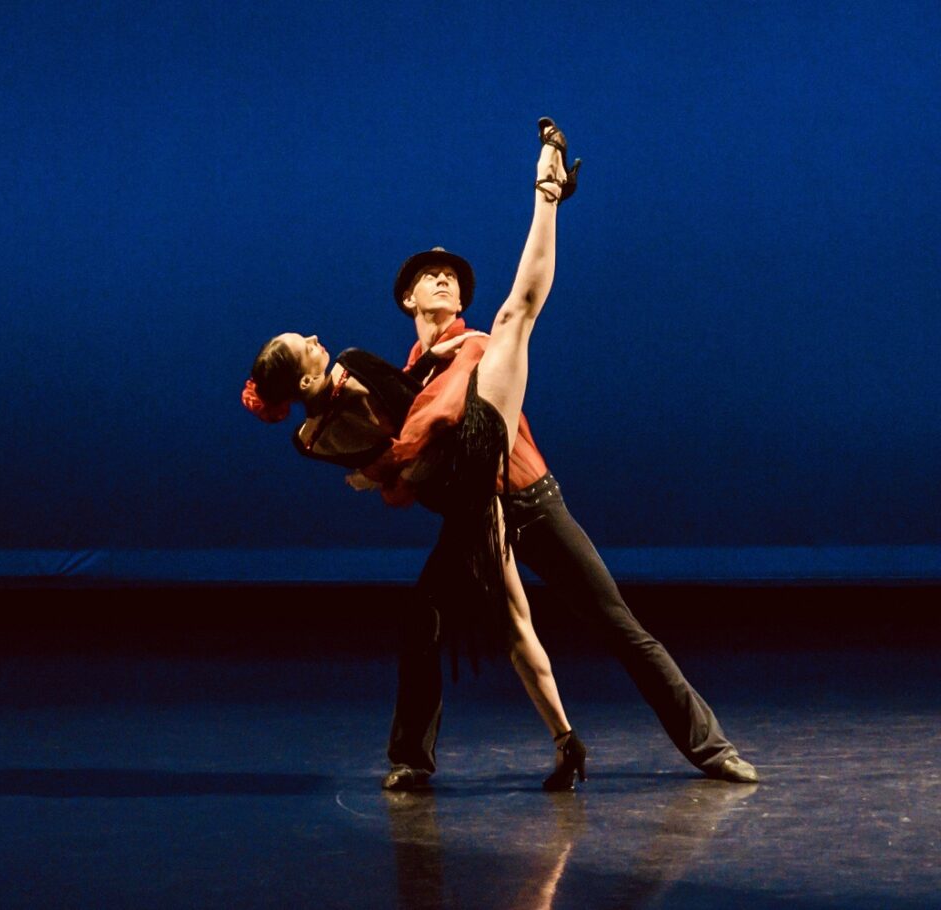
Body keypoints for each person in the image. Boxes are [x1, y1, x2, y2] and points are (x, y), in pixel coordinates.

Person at [384, 158, 760, 789]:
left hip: (530, 502)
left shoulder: (481, 345)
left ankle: (710, 747)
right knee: (425, 620)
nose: (444, 278)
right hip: (476, 518)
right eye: (430, 275)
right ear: (409, 298)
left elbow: (527, 295)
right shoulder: (410, 377)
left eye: (451, 275)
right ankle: (413, 761)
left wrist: (547, 198)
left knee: (617, 624)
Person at [244, 118, 587, 790]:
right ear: (306, 382)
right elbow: (389, 437)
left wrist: (388, 463)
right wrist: (385, 467)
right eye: (306, 347)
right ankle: (549, 744)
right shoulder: (321, 425)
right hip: (461, 501)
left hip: (475, 494)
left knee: (501, 622)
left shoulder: (388, 362)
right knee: (492, 622)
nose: (318, 336)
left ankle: (545, 743)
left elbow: (419, 414)